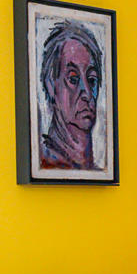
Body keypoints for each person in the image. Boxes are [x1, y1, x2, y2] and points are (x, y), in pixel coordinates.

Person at [35, 18, 104, 171]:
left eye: (92, 79)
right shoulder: (46, 166)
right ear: (51, 85)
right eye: (73, 78)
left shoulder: (98, 172)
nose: (86, 92)